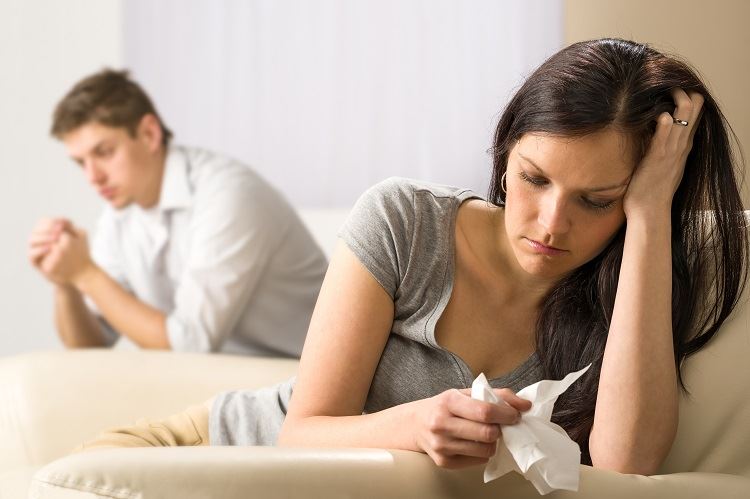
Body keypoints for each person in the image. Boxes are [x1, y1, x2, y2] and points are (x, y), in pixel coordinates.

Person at [74, 39, 748, 475]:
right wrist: (417, 426)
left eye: (598, 200)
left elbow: (626, 465)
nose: (551, 224)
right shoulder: (406, 220)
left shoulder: (627, 290)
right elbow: (299, 433)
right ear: (505, 152)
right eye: (535, 179)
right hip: (210, 454)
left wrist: (651, 215)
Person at [28, 69, 327, 356]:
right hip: (222, 382)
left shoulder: (228, 195)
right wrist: (66, 282)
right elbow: (91, 346)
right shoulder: (119, 214)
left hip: (302, 378)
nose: (93, 177)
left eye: (104, 153)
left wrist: (85, 272)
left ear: (149, 133)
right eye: (81, 162)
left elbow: (190, 345)